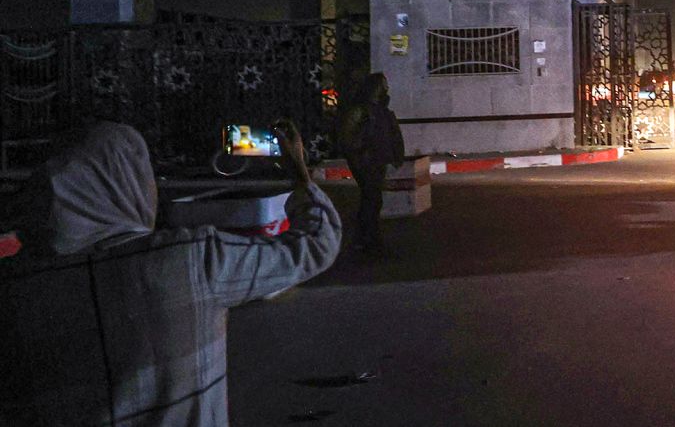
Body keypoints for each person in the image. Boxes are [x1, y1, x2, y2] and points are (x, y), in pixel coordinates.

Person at [0, 119, 340, 426]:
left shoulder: (16, 288)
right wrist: (299, 173)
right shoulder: (190, 261)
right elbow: (315, 243)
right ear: (125, 183)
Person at [338, 72, 405, 253]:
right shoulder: (361, 110)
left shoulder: (381, 110)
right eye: (383, 85)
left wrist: (396, 155)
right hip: (366, 161)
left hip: (377, 160)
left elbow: (391, 134)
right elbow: (347, 138)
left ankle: (367, 238)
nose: (386, 88)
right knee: (371, 199)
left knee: (373, 200)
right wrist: (359, 156)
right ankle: (366, 240)